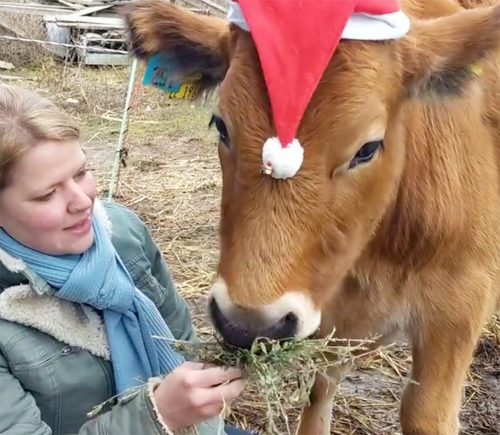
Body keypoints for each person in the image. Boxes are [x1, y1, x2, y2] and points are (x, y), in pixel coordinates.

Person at [0, 84, 249, 435]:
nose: (83, 201)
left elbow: (180, 341)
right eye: (47, 194)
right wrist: (159, 415)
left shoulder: (121, 233)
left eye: (81, 173)